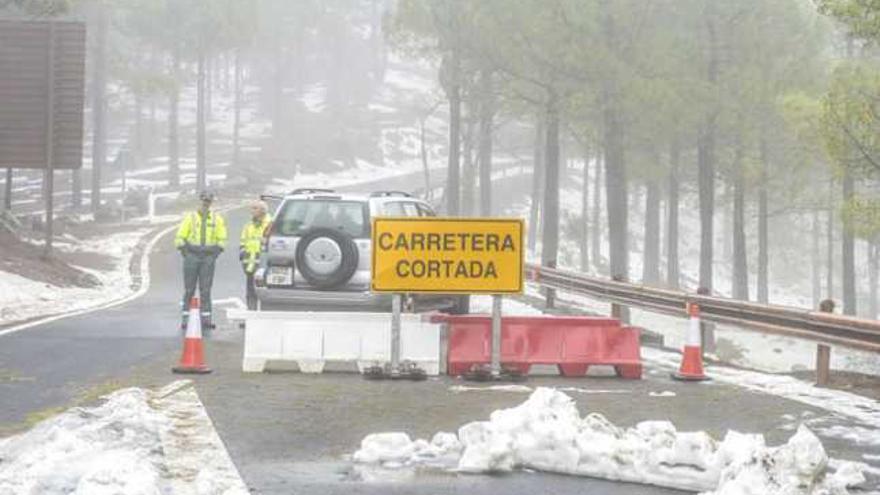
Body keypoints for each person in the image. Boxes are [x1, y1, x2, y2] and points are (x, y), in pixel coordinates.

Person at [175, 190, 227, 329]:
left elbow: (222, 239)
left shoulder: (217, 219)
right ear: (200, 201)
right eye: (204, 201)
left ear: (211, 203)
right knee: (189, 289)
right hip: (192, 255)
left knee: (206, 289)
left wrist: (215, 253)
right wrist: (185, 251)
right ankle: (185, 318)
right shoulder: (190, 218)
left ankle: (206, 319)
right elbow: (180, 237)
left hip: (208, 257)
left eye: (208, 201)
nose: (206, 203)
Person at [240, 200, 271, 310]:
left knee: (265, 292)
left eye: (254, 208)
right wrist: (243, 255)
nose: (251, 211)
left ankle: (264, 315)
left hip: (265, 266)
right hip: (250, 266)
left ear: (262, 211)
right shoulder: (248, 226)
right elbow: (243, 242)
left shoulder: (270, 225)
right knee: (250, 292)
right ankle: (251, 313)